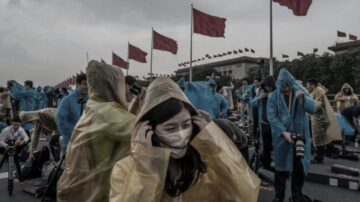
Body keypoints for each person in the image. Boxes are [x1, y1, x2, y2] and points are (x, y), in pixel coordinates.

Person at [109, 77, 260, 202]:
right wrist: (145, 168)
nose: (181, 135)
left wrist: (213, 146)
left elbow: (244, 195)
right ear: (149, 131)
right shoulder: (125, 170)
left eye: (186, 125)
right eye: (170, 128)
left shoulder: (206, 164)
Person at [57, 61, 135, 202]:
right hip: (95, 192)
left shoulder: (94, 106)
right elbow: (140, 130)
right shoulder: (106, 111)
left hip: (79, 189)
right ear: (112, 86)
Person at [267, 68, 317, 202]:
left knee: (299, 168)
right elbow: (272, 117)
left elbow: (313, 109)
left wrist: (304, 98)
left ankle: (296, 194)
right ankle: (279, 195)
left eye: (288, 85)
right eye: (283, 86)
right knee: (281, 168)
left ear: (291, 83)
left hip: (299, 136)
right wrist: (283, 132)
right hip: (282, 138)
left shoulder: (301, 91)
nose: (286, 88)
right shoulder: (273, 96)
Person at [306, 79, 342, 163]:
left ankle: (319, 157)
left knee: (319, 138)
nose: (307, 87)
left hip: (320, 119)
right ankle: (334, 150)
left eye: (308, 85)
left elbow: (318, 105)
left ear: (312, 85)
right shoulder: (315, 91)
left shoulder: (318, 92)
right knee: (324, 137)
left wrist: (309, 106)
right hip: (319, 118)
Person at [56, 73, 88, 153]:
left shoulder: (91, 101)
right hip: (71, 144)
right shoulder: (67, 100)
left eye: (89, 84)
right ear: (77, 84)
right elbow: (61, 122)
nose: (87, 87)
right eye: (84, 84)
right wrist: (74, 136)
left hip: (87, 145)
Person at [250, 76, 276, 170]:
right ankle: (266, 165)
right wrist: (259, 97)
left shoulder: (276, 93)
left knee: (275, 145)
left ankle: (276, 164)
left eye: (270, 86)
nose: (268, 88)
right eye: (266, 86)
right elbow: (252, 103)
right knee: (265, 146)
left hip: (274, 124)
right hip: (264, 123)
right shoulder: (262, 93)